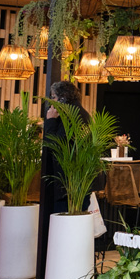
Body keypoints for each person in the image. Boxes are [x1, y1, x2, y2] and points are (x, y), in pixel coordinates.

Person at [43, 81, 92, 216]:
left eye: (53, 97)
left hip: (67, 185)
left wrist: (50, 120)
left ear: (63, 98)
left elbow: (55, 144)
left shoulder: (70, 116)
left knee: (64, 221)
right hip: (77, 182)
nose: (51, 102)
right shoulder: (82, 113)